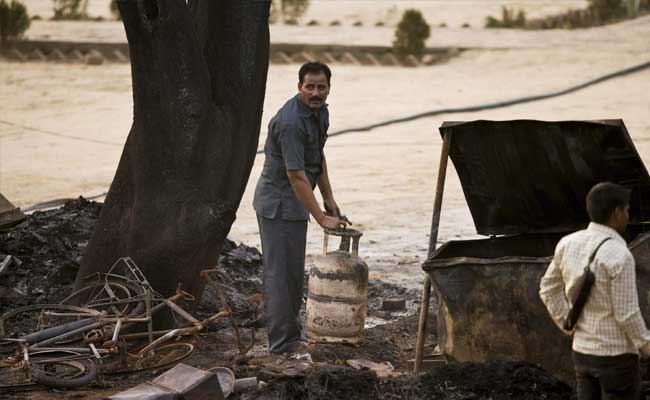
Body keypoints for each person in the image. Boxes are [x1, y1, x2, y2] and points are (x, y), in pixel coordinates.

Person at [253, 61, 348, 354]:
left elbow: (316, 157)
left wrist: (328, 198)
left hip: (298, 199)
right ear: (299, 87)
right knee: (281, 275)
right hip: (279, 203)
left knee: (294, 273)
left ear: (329, 88)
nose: (316, 92)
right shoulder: (291, 122)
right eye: (310, 86)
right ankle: (282, 346)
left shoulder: (320, 113)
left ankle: (292, 335)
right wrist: (320, 216)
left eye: (321, 87)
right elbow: (296, 174)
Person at [539, 182, 650, 400]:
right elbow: (626, 314)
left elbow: (548, 289)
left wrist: (568, 324)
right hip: (616, 358)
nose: (628, 215)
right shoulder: (620, 254)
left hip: (582, 354)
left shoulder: (567, 243)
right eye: (627, 210)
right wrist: (647, 345)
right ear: (616, 213)